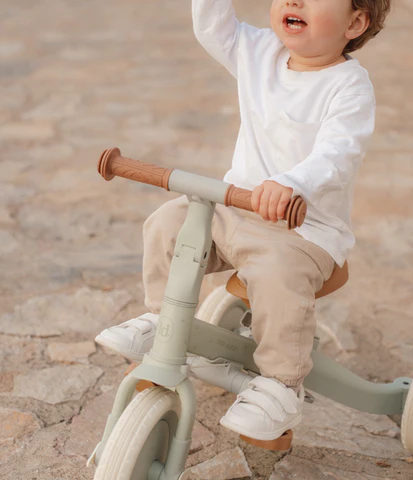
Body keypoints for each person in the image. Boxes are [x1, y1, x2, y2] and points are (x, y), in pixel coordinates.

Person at [95, 0, 391, 442]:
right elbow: (213, 28)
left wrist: (291, 183)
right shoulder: (260, 50)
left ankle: (281, 384)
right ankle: (162, 318)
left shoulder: (349, 87)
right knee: (167, 224)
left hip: (301, 229)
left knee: (277, 273)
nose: (293, 1)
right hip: (233, 206)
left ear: (355, 22)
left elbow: (339, 152)